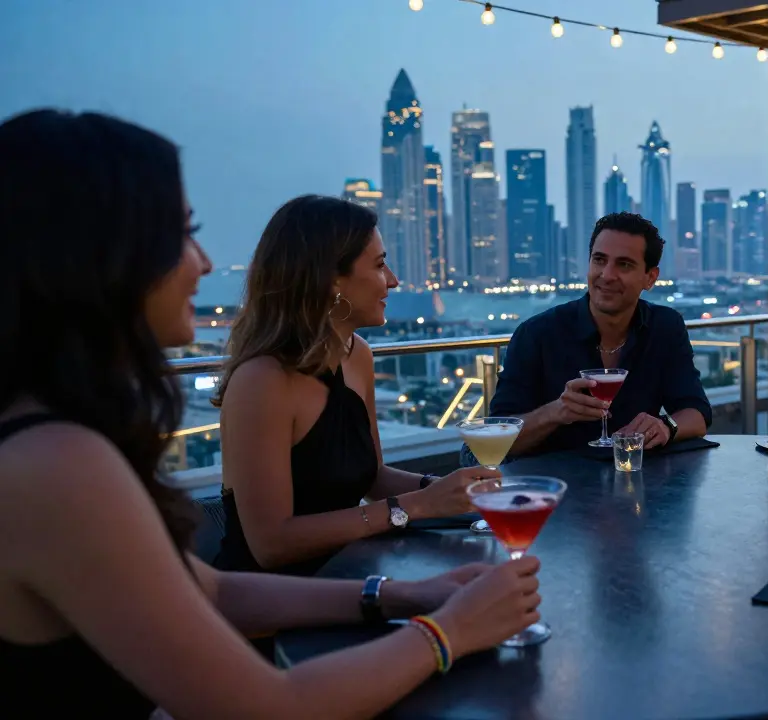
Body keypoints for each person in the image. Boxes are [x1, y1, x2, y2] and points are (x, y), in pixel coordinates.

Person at [0, 110, 541, 718]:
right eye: (182, 233)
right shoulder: (55, 466)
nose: (205, 263)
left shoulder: (59, 438)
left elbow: (213, 590)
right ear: (97, 257)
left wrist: (405, 595)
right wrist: (449, 632)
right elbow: (271, 705)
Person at [213, 196, 497, 575]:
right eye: (379, 265)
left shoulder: (356, 354)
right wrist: (418, 505)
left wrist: (452, 489)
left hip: (351, 573)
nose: (393, 280)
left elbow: (373, 477)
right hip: (273, 595)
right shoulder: (262, 381)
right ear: (331, 279)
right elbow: (271, 545)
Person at [489, 212, 712, 456]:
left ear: (650, 278)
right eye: (599, 260)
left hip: (638, 476)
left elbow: (697, 412)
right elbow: (496, 440)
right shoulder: (536, 334)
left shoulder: (665, 326)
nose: (606, 275)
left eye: (624, 264)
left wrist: (666, 426)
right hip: (554, 478)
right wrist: (556, 412)